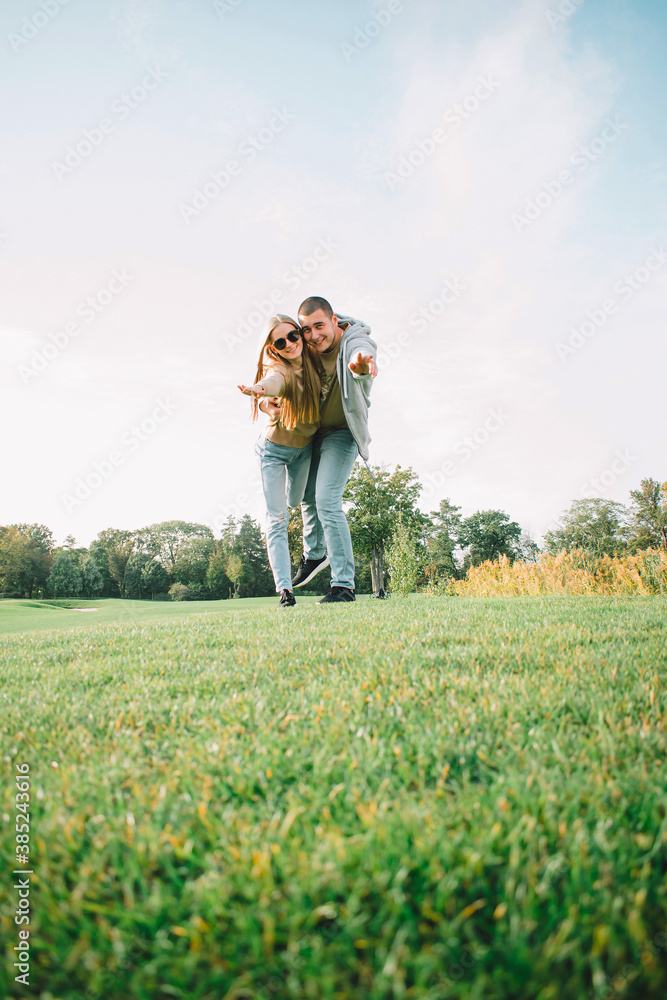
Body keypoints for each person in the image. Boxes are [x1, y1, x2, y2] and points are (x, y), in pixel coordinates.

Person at [290, 295, 377, 603]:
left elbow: (362, 355)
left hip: (342, 433)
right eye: (307, 329)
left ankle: (343, 585)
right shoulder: (307, 347)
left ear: (334, 321)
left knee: (327, 500)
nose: (314, 336)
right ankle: (313, 555)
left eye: (319, 326)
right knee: (304, 496)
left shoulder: (354, 340)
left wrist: (362, 368)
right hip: (312, 432)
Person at [238, 314, 320, 608]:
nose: (289, 344)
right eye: (280, 342)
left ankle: (313, 551)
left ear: (301, 333)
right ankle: (285, 589)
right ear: (273, 348)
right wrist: (259, 393)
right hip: (273, 452)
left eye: (293, 336)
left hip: (303, 451)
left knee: (296, 501)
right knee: (278, 519)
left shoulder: (314, 361)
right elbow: (273, 381)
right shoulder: (279, 369)